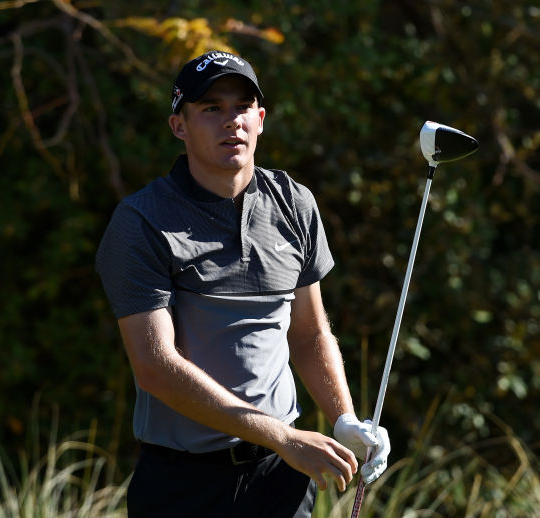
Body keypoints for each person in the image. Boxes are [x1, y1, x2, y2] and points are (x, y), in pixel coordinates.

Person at [95, 50, 390, 517]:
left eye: (242, 106)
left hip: (280, 479)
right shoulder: (141, 221)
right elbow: (154, 366)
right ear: (179, 126)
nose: (231, 120)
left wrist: (344, 417)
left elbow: (309, 333)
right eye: (211, 108)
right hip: (182, 484)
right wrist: (284, 436)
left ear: (261, 119)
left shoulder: (294, 204)